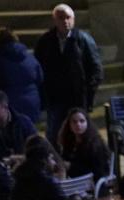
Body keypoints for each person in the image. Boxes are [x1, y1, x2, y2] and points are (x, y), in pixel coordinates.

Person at [32, 5, 99, 136]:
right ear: (55, 20)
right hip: (55, 97)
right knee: (54, 132)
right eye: (61, 18)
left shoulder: (83, 40)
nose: (65, 21)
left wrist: (88, 89)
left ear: (73, 19)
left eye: (68, 18)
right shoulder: (45, 41)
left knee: (80, 132)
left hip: (77, 97)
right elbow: (38, 66)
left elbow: (95, 67)